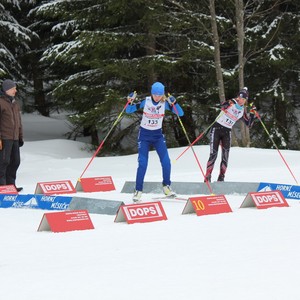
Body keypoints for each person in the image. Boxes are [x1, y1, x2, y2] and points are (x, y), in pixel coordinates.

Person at [126, 81, 184, 203]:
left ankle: (166, 187)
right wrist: (129, 100)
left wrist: (175, 103)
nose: (157, 97)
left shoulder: (164, 103)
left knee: (166, 162)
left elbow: (180, 113)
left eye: (159, 95)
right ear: (152, 93)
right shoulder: (145, 101)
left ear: (163, 94)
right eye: (155, 94)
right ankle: (138, 191)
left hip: (157, 135)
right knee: (143, 163)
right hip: (144, 136)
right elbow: (129, 110)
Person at [204, 87, 256, 182]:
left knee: (225, 156)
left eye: (244, 99)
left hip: (227, 132)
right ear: (238, 97)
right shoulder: (231, 102)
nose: (241, 101)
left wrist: (252, 114)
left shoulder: (242, 110)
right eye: (240, 98)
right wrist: (226, 106)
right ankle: (207, 177)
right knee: (213, 154)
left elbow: (248, 124)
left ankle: (221, 178)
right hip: (216, 129)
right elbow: (222, 106)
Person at [0, 79, 24, 191]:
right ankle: (2, 186)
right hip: (4, 138)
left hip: (14, 138)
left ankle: (11, 185)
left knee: (15, 162)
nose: (15, 90)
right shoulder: (1, 102)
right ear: (7, 90)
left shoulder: (15, 103)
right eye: (13, 88)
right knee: (4, 162)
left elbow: (19, 122)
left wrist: (20, 137)